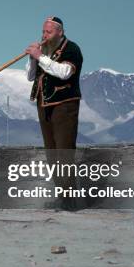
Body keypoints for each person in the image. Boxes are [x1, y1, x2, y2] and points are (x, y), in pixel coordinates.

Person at [25, 16, 83, 209]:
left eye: (48, 32)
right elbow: (30, 76)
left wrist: (39, 57)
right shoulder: (45, 51)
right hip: (44, 105)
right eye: (43, 31)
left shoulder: (72, 49)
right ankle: (62, 196)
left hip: (64, 105)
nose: (44, 35)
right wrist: (33, 58)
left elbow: (64, 72)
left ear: (59, 32)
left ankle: (71, 199)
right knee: (51, 154)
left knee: (64, 152)